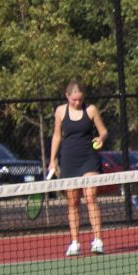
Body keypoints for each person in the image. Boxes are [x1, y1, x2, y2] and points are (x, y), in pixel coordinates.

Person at [48, 81, 109, 257]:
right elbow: (57, 136)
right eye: (74, 99)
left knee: (90, 196)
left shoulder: (91, 110)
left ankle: (98, 240)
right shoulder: (60, 111)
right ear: (67, 96)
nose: (77, 103)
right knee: (73, 201)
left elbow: (104, 131)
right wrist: (53, 160)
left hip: (89, 158)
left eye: (80, 99)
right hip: (69, 159)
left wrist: (101, 138)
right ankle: (75, 242)